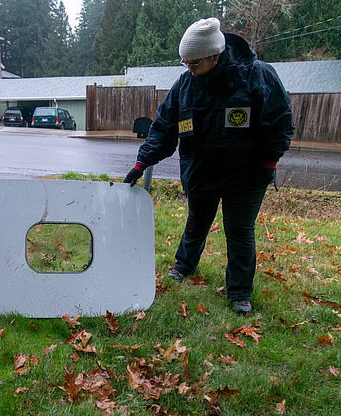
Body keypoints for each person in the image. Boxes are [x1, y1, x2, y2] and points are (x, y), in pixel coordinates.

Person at [124, 18, 294, 314]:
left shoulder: (257, 76)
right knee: (197, 221)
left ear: (215, 56)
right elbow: (164, 127)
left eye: (195, 63)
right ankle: (184, 265)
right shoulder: (185, 85)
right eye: (185, 63)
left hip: (246, 174)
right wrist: (142, 162)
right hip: (201, 171)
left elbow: (280, 123)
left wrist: (269, 161)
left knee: (239, 230)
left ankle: (240, 292)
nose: (189, 70)